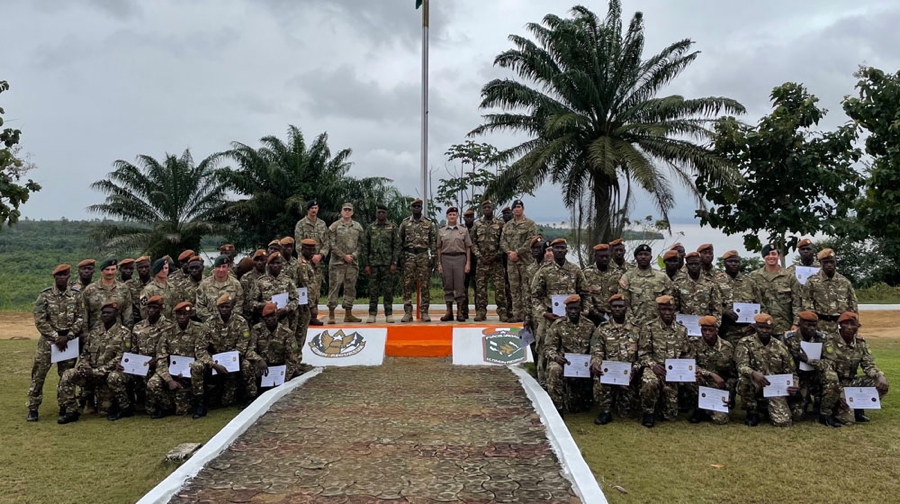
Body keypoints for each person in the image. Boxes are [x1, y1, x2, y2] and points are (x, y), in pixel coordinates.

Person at [56, 302, 132, 424]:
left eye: (109, 313)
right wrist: (84, 365)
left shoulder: (124, 333)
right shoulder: (95, 332)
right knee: (68, 374)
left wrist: (96, 371)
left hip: (107, 376)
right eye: (104, 313)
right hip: (90, 373)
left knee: (104, 411)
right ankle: (71, 410)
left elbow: (121, 357)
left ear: (116, 315)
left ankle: (124, 407)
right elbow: (85, 353)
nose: (105, 315)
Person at [26, 264, 84, 422]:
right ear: (54, 277)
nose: (61, 278)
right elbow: (40, 320)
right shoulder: (45, 296)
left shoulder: (76, 295)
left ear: (68, 277)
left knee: (65, 375)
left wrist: (69, 335)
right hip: (48, 342)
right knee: (38, 375)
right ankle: (33, 407)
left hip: (68, 341)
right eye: (58, 275)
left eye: (64, 275)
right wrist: (55, 337)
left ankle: (64, 405)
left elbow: (81, 317)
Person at [528, 238, 587, 383]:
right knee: (543, 350)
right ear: (551, 251)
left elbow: (585, 293)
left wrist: (584, 311)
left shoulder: (575, 270)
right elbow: (535, 296)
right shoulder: (544, 271)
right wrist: (544, 313)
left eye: (562, 248)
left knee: (570, 350)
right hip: (550, 317)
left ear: (567, 250)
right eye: (557, 248)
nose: (560, 250)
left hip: (571, 319)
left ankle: (569, 386)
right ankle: (543, 383)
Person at [820, 312, 889, 425]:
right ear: (840, 326)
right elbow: (828, 369)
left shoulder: (861, 343)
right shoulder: (830, 341)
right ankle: (826, 413)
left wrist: (879, 375)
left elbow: (868, 365)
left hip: (850, 382)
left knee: (880, 383)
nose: (849, 327)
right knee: (848, 421)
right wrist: (839, 395)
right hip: (833, 384)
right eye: (846, 324)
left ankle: (859, 406)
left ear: (858, 327)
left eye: (853, 324)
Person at [637, 295, 694, 428]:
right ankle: (648, 412)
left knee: (670, 416)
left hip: (673, 371)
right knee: (650, 382)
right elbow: (643, 353)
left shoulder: (682, 329)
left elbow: (686, 354)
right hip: (654, 367)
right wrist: (653, 365)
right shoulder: (649, 327)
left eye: (670, 309)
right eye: (664, 309)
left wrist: (683, 371)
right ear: (659, 310)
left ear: (674, 310)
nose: (667, 313)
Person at [734, 313, 799, 427]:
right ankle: (752, 411)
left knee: (783, 422)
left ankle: (766, 408)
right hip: (755, 384)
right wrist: (753, 373)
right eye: (761, 327)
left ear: (772, 328)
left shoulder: (780, 346)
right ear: (755, 327)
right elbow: (741, 366)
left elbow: (792, 372)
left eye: (767, 328)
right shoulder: (745, 343)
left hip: (774, 388)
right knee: (744, 379)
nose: (764, 330)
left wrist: (794, 384)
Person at [147, 301, 209, 419]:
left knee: (197, 366)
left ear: (190, 314)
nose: (181, 317)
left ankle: (200, 405)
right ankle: (166, 406)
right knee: (152, 383)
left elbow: (202, 352)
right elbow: (161, 358)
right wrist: (169, 380)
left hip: (194, 372)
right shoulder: (167, 332)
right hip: (174, 372)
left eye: (185, 314)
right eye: (179, 314)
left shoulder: (200, 329)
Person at [544, 295, 598, 415]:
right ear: (566, 309)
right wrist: (556, 357)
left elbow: (596, 347)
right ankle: (557, 407)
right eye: (570, 309)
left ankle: (594, 403)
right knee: (554, 369)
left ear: (580, 309)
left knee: (598, 367)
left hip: (584, 364)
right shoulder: (558, 325)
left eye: (576, 308)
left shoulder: (589, 325)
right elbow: (548, 348)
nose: (573, 312)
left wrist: (593, 361)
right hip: (564, 362)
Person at [201, 294, 259, 408]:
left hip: (235, 360)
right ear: (217, 308)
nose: (224, 309)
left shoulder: (240, 322)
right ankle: (201, 402)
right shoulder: (209, 323)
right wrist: (213, 364)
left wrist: (233, 359)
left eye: (227, 306)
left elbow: (243, 344)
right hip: (215, 362)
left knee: (247, 365)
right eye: (221, 307)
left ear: (232, 307)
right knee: (197, 366)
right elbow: (200, 348)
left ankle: (251, 397)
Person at [590, 294, 640, 425]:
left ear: (626, 308)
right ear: (610, 308)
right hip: (608, 372)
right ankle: (605, 412)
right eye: (615, 306)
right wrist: (595, 362)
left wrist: (635, 369)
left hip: (629, 374)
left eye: (621, 306)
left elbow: (644, 354)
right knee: (598, 378)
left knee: (626, 412)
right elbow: (597, 350)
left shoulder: (637, 328)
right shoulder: (602, 328)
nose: (618, 309)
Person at [782, 311, 832, 425]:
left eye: (814, 325)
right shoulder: (788, 338)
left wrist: (808, 360)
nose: (811, 328)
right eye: (808, 325)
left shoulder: (823, 339)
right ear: (800, 323)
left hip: (815, 375)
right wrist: (793, 382)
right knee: (797, 416)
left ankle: (824, 409)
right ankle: (803, 399)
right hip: (797, 376)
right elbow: (783, 363)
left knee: (831, 376)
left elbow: (829, 363)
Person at [126, 295, 171, 414]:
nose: (151, 310)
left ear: (161, 309)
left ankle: (165, 406)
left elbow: (172, 349)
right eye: (149, 307)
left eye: (155, 307)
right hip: (141, 365)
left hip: (162, 364)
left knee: (154, 386)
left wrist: (157, 360)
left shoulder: (169, 326)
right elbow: (134, 350)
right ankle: (134, 404)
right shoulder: (138, 327)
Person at [688, 316, 736, 425]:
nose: (707, 333)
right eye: (704, 330)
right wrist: (711, 374)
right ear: (700, 330)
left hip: (720, 387)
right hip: (702, 382)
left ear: (716, 330)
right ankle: (698, 408)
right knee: (692, 377)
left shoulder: (727, 347)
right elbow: (690, 365)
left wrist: (731, 396)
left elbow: (733, 374)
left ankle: (709, 409)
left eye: (711, 330)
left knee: (720, 420)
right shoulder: (693, 344)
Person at [802, 248, 858, 338]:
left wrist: (852, 324)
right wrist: (812, 324)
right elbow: (807, 303)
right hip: (820, 325)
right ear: (821, 263)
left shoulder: (844, 282)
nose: (829, 265)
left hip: (840, 325)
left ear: (835, 262)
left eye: (831, 262)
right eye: (826, 262)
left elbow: (853, 305)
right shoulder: (812, 281)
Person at [399, 198, 437, 322]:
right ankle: (408, 312)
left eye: (418, 207)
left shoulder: (429, 223)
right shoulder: (405, 223)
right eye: (414, 207)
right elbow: (400, 241)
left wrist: (433, 257)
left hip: (423, 256)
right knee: (407, 285)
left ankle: (424, 312)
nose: (416, 209)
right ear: (411, 208)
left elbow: (433, 241)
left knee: (425, 285)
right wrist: (400, 259)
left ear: (421, 208)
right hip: (409, 256)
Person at [326, 202, 364, 323]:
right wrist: (343, 256)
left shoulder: (358, 227)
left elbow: (361, 244)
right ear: (341, 212)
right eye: (345, 210)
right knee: (334, 287)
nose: (347, 212)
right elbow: (331, 244)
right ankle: (331, 314)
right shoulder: (334, 226)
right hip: (337, 263)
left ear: (352, 212)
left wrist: (353, 255)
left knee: (350, 287)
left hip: (352, 263)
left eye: (349, 210)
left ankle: (348, 313)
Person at [750, 243, 802, 334]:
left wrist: (796, 323)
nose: (771, 257)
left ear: (778, 256)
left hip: (784, 326)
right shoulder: (754, 276)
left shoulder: (789, 276)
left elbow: (796, 302)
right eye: (768, 254)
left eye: (774, 254)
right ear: (763, 257)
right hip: (761, 327)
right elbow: (750, 300)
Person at [500, 199, 538, 322]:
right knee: (514, 288)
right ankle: (517, 314)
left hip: (526, 261)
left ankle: (528, 315)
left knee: (527, 288)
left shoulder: (530, 224)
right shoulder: (507, 225)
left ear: (523, 208)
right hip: (512, 261)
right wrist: (510, 253)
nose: (517, 209)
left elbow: (530, 241)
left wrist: (518, 252)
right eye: (515, 207)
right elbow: (503, 241)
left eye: (519, 207)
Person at [470, 200, 507, 322]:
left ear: (493, 208)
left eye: (489, 207)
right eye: (484, 207)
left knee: (500, 288)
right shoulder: (477, 225)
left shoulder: (500, 224)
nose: (487, 209)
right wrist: (479, 256)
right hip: (482, 261)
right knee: (481, 289)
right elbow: (472, 243)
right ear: (482, 209)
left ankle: (502, 312)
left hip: (496, 261)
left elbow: (504, 242)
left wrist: (496, 256)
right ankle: (481, 312)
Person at [619, 244, 674, 326]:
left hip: (657, 325)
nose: (643, 257)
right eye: (640, 254)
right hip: (635, 323)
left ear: (651, 257)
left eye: (646, 254)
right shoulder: (627, 277)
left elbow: (670, 301)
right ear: (636, 257)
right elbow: (623, 302)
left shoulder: (662, 277)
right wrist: (631, 320)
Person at [362, 204, 400, 323]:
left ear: (386, 214)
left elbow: (396, 246)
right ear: (376, 213)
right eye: (379, 212)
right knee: (373, 290)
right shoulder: (370, 228)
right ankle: (372, 313)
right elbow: (365, 247)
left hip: (387, 264)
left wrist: (394, 263)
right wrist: (366, 264)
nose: (381, 214)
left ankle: (388, 313)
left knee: (388, 290)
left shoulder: (392, 227)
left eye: (383, 212)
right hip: (373, 264)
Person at [294, 199, 329, 326]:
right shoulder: (301, 224)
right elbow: (298, 244)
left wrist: (320, 255)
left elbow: (326, 243)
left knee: (315, 289)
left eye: (316, 208)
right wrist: (303, 258)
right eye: (312, 208)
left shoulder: (322, 224)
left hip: (317, 262)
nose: (314, 210)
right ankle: (304, 315)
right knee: (304, 288)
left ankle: (314, 315)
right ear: (308, 210)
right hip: (304, 262)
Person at [437, 207, 473, 322]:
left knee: (459, 286)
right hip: (446, 258)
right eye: (450, 214)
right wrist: (439, 263)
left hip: (459, 258)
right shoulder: (441, 231)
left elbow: (468, 247)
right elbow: (438, 248)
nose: (452, 216)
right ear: (447, 216)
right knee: (447, 285)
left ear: (457, 216)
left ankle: (460, 312)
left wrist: (468, 263)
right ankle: (449, 312)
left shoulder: (463, 230)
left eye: (454, 214)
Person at [716, 250, 760, 344]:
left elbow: (760, 305)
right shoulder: (716, 282)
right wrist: (724, 312)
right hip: (727, 331)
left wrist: (758, 321)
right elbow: (712, 305)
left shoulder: (750, 282)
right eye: (730, 261)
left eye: (736, 262)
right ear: (724, 263)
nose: (733, 264)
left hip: (749, 331)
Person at [252, 302, 300, 383]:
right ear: (263, 318)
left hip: (279, 367)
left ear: (277, 316)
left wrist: (285, 377)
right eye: (267, 316)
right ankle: (252, 393)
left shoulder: (287, 333)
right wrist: (259, 360)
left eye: (272, 315)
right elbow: (250, 350)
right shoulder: (256, 330)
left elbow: (292, 358)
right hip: (262, 366)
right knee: (247, 365)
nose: (270, 319)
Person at [248, 252, 299, 328]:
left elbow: (295, 299)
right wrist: (264, 305)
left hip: (283, 322)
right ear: (268, 265)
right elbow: (251, 302)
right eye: (272, 263)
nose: (275, 266)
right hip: (265, 322)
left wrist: (287, 309)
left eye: (278, 263)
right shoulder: (260, 282)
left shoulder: (288, 281)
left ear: (282, 265)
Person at [82, 258, 133, 331]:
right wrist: (84, 334)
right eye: (107, 269)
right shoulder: (90, 290)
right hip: (95, 334)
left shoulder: (124, 289)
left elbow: (128, 313)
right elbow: (84, 314)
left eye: (113, 269)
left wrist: (128, 332)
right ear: (102, 271)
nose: (110, 272)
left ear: (116, 270)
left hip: (118, 334)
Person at [674, 251, 722, 322]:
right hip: (684, 326)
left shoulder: (710, 283)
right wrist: (679, 326)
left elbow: (716, 308)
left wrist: (713, 326)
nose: (693, 266)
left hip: (706, 327)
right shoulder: (678, 283)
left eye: (696, 264)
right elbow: (674, 308)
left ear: (701, 264)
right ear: (687, 266)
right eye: (691, 264)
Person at [196, 255, 245, 323]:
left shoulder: (236, 284)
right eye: (218, 267)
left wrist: (230, 318)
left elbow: (239, 304)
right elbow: (200, 306)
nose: (221, 270)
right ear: (214, 268)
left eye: (224, 267)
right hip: (210, 324)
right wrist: (212, 319)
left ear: (228, 267)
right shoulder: (204, 285)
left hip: (231, 324)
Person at [582, 244, 621, 325]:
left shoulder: (617, 273)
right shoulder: (587, 273)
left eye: (607, 256)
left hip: (613, 314)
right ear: (595, 256)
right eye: (601, 256)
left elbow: (621, 294)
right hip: (593, 315)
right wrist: (595, 312)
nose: (604, 259)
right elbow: (584, 295)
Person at [299, 240, 323, 326]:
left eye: (313, 250)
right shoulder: (302, 264)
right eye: (309, 250)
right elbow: (305, 286)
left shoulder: (311, 263)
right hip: (306, 303)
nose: (312, 252)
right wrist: (311, 306)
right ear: (302, 250)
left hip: (313, 299)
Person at [126, 256, 152, 326]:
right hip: (135, 321)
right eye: (141, 267)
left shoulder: (155, 283)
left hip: (152, 320)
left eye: (146, 267)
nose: (144, 269)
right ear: (137, 269)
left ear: (150, 267)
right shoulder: (129, 284)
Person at [461, 209, 477, 319]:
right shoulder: (460, 229)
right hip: (463, 261)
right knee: (463, 288)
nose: (469, 219)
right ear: (464, 218)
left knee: (478, 288)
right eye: (467, 217)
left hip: (477, 261)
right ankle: (463, 311)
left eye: (471, 217)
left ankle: (480, 312)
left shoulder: (478, 227)